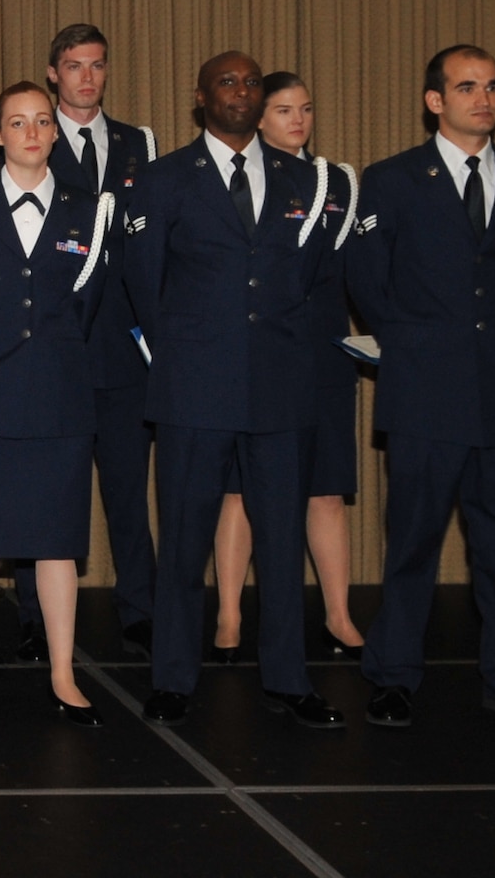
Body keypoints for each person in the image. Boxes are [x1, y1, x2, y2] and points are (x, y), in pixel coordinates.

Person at [349, 46, 495, 730]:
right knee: (412, 544)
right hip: (424, 392)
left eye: (493, 86)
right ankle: (393, 677)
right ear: (435, 101)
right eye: (468, 86)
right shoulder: (391, 179)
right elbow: (367, 278)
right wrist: (419, 346)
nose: (484, 99)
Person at [125, 51, 344, 730]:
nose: (241, 92)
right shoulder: (163, 179)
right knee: (183, 542)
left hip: (281, 390)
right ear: (201, 97)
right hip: (194, 389)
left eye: (251, 82)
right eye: (228, 82)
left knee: (281, 545)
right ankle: (172, 679)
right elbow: (143, 283)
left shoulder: (303, 177)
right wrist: (188, 354)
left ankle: (288, 679)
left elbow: (312, 279)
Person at [0, 83, 115, 729]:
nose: (32, 132)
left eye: (42, 121)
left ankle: (64, 673)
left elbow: (87, 305)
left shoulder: (88, 209)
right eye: (17, 122)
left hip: (59, 397)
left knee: (57, 543)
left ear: (55, 133)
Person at [16, 24, 158, 662]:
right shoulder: (33, 140)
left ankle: (141, 611)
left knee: (128, 493)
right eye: (74, 66)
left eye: (97, 65)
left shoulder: (137, 144)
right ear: (54, 73)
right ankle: (31, 614)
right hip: (54, 348)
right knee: (44, 492)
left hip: (122, 350)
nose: (87, 78)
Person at [211, 72, 364, 662]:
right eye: (282, 110)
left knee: (326, 489)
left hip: (323, 349)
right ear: (257, 117)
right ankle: (229, 616)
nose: (297, 120)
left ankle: (338, 615)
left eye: (305, 108)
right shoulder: (238, 179)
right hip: (253, 353)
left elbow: (355, 268)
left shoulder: (337, 182)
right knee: (239, 491)